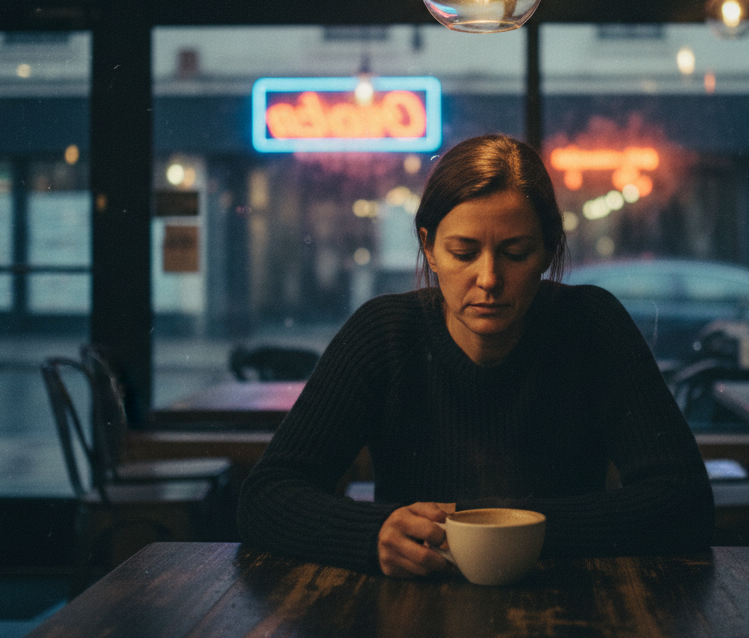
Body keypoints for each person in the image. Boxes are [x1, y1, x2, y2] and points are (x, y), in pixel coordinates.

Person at [237, 134, 713, 577]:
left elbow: (683, 501)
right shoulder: (384, 334)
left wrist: (510, 532)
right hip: (415, 606)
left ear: (549, 251)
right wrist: (371, 533)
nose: (488, 278)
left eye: (516, 252)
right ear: (429, 247)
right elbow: (266, 497)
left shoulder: (591, 326)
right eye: (464, 252)